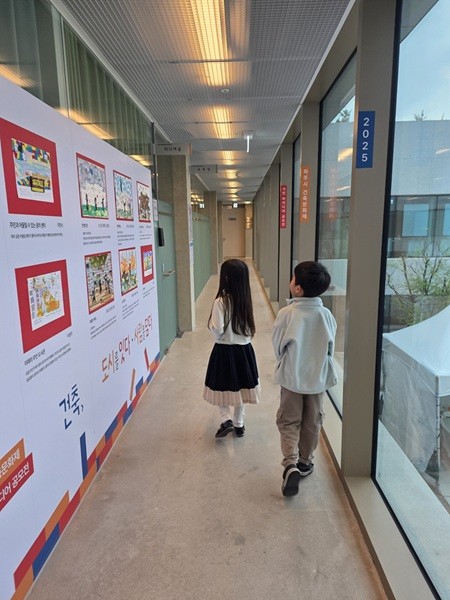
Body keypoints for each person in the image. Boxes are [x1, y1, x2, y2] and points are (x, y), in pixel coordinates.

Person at [272, 261, 337, 497]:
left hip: (292, 378)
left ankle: (290, 463)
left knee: (289, 421)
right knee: (312, 421)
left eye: (292, 278)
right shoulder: (326, 315)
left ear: (297, 288)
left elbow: (278, 345)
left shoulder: (287, 314)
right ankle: (305, 462)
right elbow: (330, 348)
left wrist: (284, 363)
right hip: (317, 380)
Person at [203, 259, 261, 438]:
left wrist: (213, 330)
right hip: (244, 351)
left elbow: (217, 329)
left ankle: (225, 419)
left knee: (221, 385)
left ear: (226, 278)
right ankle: (239, 424)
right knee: (240, 388)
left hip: (224, 351)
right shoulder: (246, 300)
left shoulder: (220, 301)